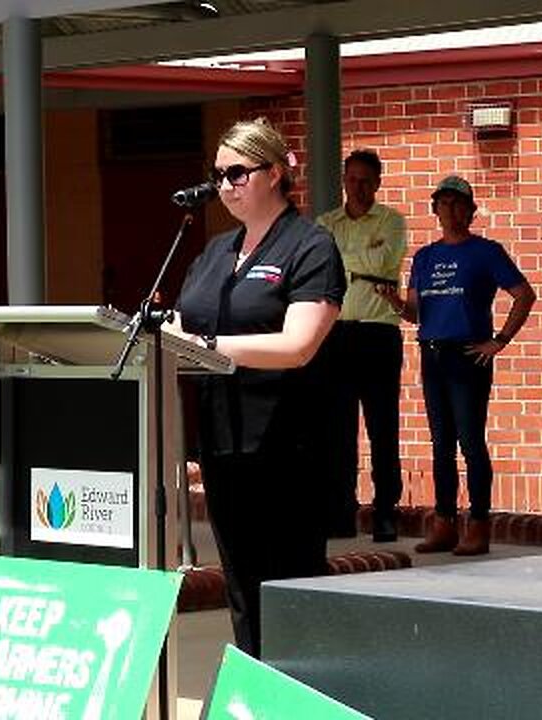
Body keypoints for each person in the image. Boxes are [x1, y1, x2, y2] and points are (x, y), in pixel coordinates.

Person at [170, 118, 345, 657]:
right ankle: (252, 684)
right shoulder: (215, 252)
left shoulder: (310, 245)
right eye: (218, 175)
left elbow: (298, 345)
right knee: (242, 584)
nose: (225, 186)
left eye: (237, 174)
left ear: (274, 173)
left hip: (289, 445)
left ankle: (296, 691)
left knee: (289, 583)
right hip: (223, 440)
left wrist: (205, 343)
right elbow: (182, 323)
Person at [377, 175, 536, 556]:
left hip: (468, 355)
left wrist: (500, 340)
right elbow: (415, 313)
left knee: (470, 441)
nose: (450, 210)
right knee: (441, 444)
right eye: (443, 203)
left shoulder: (486, 252)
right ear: (435, 210)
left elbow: (524, 295)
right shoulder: (425, 257)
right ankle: (444, 521)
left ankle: (478, 523)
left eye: (457, 203)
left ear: (471, 210)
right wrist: (394, 301)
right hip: (432, 353)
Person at [316, 149, 407, 542]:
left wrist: (346, 262)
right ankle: (340, 513)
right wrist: (361, 263)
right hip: (335, 335)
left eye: (366, 180)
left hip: (378, 334)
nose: (359, 187)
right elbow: (322, 266)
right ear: (344, 181)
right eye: (352, 179)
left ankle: (385, 513)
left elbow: (385, 263)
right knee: (337, 430)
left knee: (383, 428)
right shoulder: (325, 223)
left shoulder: (392, 221)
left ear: (378, 183)